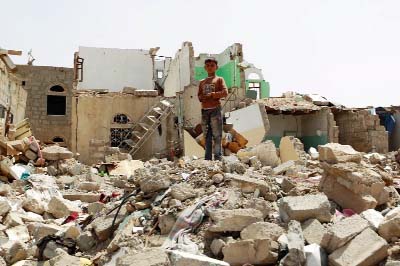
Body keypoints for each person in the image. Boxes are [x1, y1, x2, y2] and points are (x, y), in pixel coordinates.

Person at [198, 57, 228, 160]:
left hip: (215, 109)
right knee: (207, 135)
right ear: (205, 68)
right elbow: (199, 96)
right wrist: (203, 97)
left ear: (216, 67)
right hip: (205, 111)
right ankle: (207, 158)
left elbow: (225, 93)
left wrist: (213, 94)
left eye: (212, 65)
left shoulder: (219, 79)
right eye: (208, 66)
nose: (210, 67)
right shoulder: (201, 82)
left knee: (217, 134)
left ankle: (218, 157)